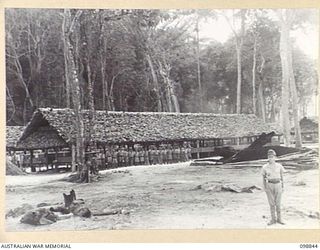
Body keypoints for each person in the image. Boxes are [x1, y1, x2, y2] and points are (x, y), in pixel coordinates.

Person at [261, 149, 285, 225]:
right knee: (271, 204)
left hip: (278, 185)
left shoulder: (279, 166)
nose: (270, 158)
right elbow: (264, 178)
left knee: (278, 203)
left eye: (272, 156)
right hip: (269, 185)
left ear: (275, 157)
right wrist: (265, 188)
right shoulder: (265, 167)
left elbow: (282, 177)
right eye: (269, 156)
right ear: (267, 157)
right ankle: (273, 220)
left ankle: (279, 219)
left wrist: (283, 186)